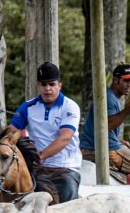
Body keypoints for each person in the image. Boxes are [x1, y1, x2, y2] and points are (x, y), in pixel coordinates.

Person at [6, 62, 82, 202]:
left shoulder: (70, 106)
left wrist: (39, 157)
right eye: (43, 84)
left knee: (67, 206)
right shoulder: (27, 106)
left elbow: (64, 138)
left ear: (60, 85)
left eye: (52, 84)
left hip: (65, 169)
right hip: (37, 169)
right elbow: (12, 133)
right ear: (38, 86)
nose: (47, 89)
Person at [79, 63, 130, 178]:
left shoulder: (110, 96)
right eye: (126, 81)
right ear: (115, 80)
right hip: (104, 149)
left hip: (90, 145)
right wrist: (127, 111)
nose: (129, 85)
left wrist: (118, 140)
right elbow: (105, 126)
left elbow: (103, 127)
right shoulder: (110, 99)